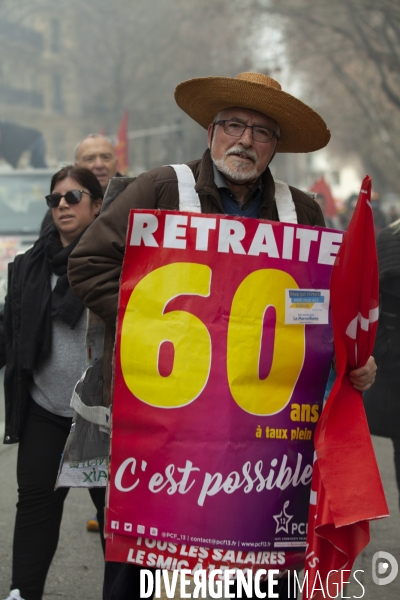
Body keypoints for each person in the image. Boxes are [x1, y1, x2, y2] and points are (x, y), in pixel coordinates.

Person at [68, 72, 377, 599]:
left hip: (264, 447)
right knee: (154, 573)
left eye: (261, 132)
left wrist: (345, 359)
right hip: (167, 437)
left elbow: (316, 306)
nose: (245, 140)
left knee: (255, 573)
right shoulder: (160, 189)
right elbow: (89, 263)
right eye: (233, 124)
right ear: (211, 130)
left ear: (276, 146)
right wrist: (153, 320)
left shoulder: (301, 211)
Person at [1, 166, 105, 600]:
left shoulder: (116, 262)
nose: (62, 204)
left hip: (104, 418)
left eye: (73, 196)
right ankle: (22, 593)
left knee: (117, 519)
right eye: (55, 199)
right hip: (45, 410)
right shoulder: (27, 265)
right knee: (35, 510)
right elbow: (10, 329)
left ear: (97, 205)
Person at [364, 218, 400, 509]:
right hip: (394, 371)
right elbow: (370, 301)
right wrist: (385, 350)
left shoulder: (388, 236)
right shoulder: (391, 239)